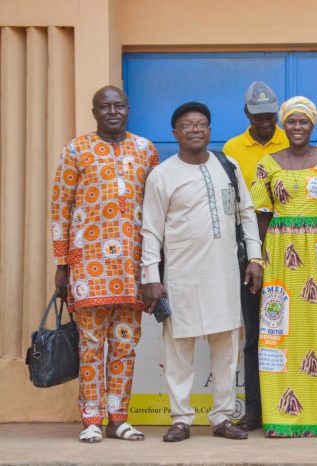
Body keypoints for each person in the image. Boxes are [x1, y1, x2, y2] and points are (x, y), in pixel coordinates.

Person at [140, 102, 263, 442]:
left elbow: (247, 213)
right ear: (175, 133)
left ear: (209, 130)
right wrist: (151, 277)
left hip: (224, 275)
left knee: (225, 348)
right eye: (187, 125)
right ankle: (181, 419)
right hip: (181, 277)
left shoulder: (227, 166)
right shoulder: (162, 175)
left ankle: (222, 417)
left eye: (201, 124)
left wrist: (255, 258)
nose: (195, 129)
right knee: (179, 350)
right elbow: (151, 230)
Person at [51, 85, 158, 443]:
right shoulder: (76, 150)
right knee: (91, 344)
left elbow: (157, 209)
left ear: (128, 109)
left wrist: (155, 266)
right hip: (87, 266)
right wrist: (62, 263)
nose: (113, 112)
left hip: (133, 267)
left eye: (119, 106)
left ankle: (119, 418)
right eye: (105, 107)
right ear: (94, 112)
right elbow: (60, 207)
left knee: (125, 345)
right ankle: (92, 419)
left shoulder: (145, 150)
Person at [250, 96, 317, 437]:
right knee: (279, 334)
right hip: (280, 255)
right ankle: (280, 419)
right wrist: (260, 257)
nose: (297, 127)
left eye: (303, 121)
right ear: (283, 124)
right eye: (291, 121)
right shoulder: (267, 164)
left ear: (313, 125)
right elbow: (260, 215)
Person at [222, 81, 289, 431]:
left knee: (287, 332)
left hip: (290, 251)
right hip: (248, 252)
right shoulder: (232, 148)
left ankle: (288, 406)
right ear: (247, 113)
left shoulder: (290, 139)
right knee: (254, 336)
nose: (265, 123)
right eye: (258, 116)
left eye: (270, 116)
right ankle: (254, 410)